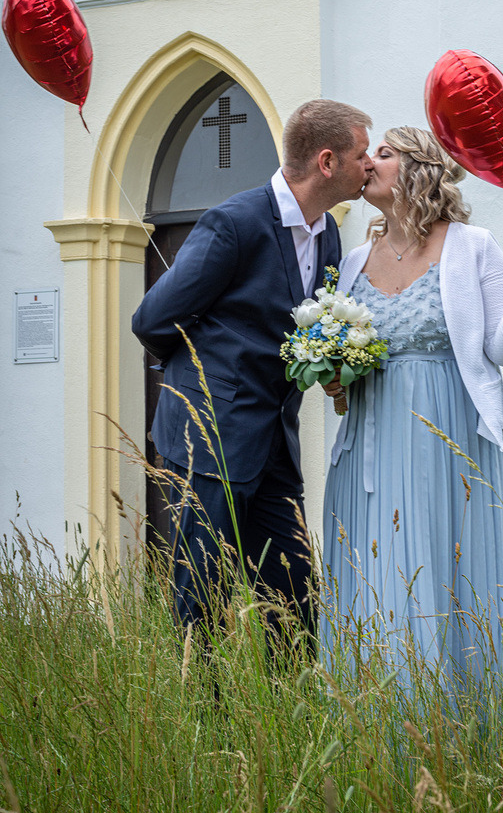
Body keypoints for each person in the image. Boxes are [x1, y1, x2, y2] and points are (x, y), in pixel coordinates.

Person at [321, 126, 503, 706]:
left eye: (384, 153)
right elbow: (343, 360)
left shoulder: (472, 246)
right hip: (367, 445)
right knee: (371, 578)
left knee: (442, 573)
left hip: (448, 439)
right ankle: (372, 723)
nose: (367, 162)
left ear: (420, 169)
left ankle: (450, 726)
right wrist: (331, 376)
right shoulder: (351, 263)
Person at [132, 99, 374, 641]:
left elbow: (302, 330)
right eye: (363, 155)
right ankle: (205, 721)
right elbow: (151, 319)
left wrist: (328, 367)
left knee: (295, 596)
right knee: (203, 597)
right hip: (208, 437)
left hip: (274, 446)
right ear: (328, 162)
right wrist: (209, 380)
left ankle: (289, 717)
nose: (370, 166)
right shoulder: (234, 223)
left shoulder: (328, 236)